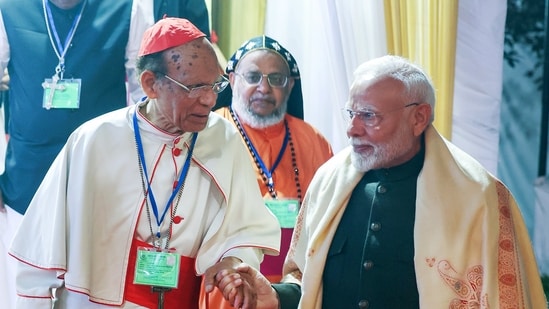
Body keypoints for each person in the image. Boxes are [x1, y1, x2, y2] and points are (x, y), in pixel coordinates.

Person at [214, 55, 548, 308]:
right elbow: (304, 278)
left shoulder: (478, 197)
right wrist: (274, 296)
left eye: (369, 116)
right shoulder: (330, 182)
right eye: (351, 114)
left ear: (419, 118)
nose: (352, 129)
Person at [8, 17, 280, 309]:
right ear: (151, 84)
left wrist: (230, 262)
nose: (209, 99)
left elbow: (245, 226)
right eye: (195, 87)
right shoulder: (94, 140)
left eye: (215, 84)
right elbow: (39, 253)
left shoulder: (224, 138)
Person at [0, 1, 154, 307]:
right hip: (26, 181)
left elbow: (146, 96)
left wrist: (147, 175)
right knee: (24, 295)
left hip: (101, 182)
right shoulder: (8, 8)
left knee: (91, 294)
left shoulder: (129, 9)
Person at [201, 35, 334, 308]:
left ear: (290, 86)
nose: (263, 88)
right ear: (233, 79)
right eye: (253, 77)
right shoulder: (209, 133)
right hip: (227, 283)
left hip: (292, 287)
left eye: (276, 79)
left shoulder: (313, 139)